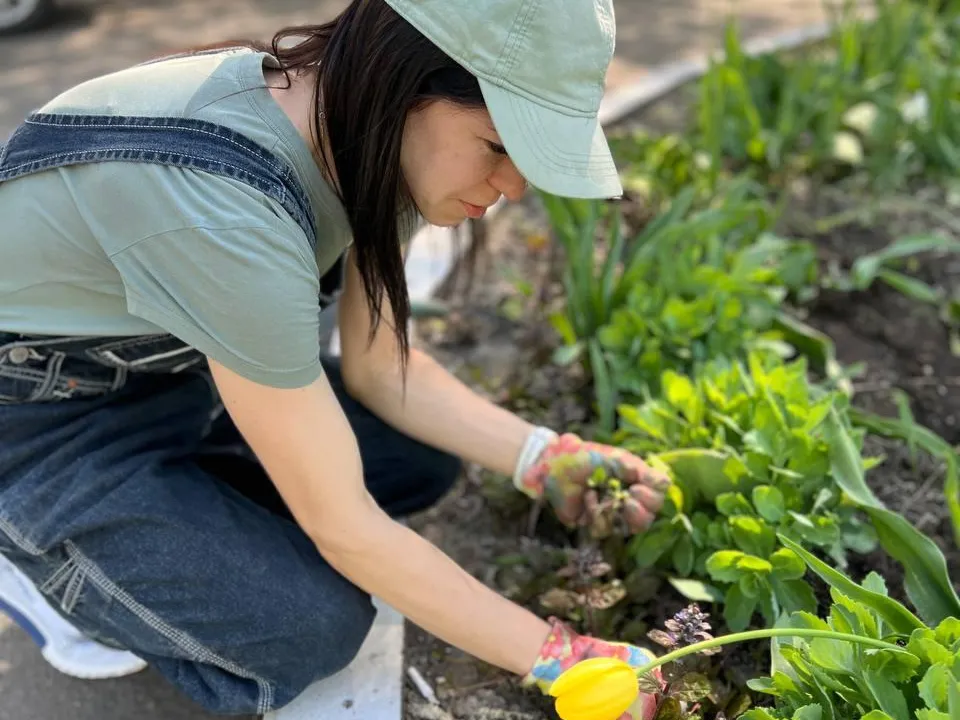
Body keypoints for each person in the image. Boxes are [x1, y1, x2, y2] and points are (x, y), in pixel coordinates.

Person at [0, 0, 669, 717]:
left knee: (415, 459)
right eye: (500, 147)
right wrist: (556, 657)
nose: (513, 188)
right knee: (306, 627)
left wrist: (546, 455)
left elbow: (381, 371)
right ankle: (43, 563)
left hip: (174, 390)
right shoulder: (223, 210)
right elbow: (342, 525)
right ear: (404, 83)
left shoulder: (368, 138)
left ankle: (159, 531)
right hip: (42, 430)